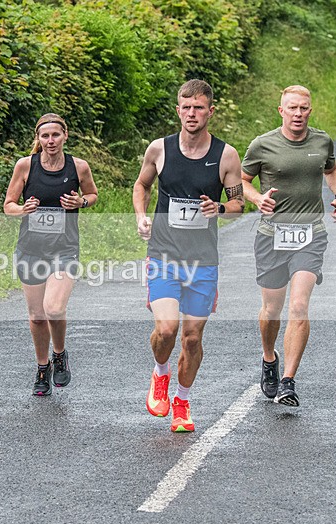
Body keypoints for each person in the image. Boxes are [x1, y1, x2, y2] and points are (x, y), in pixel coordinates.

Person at [132, 79, 243, 432]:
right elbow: (142, 186)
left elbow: (239, 203)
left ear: (211, 110)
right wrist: (141, 215)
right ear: (178, 109)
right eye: (185, 107)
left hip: (203, 261)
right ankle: (160, 374)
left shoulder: (226, 155)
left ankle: (182, 401)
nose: (191, 114)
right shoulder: (159, 149)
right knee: (166, 330)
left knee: (192, 339)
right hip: (164, 254)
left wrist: (220, 207)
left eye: (198, 107)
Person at [242, 85, 336, 407]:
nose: (298, 114)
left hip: (310, 235)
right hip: (271, 236)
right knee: (272, 310)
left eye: (303, 108)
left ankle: (288, 381)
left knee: (299, 306)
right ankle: (269, 358)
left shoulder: (322, 141)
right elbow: (241, 182)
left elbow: (331, 170)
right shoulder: (263, 145)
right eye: (292, 108)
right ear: (281, 111)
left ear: (310, 111)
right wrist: (257, 198)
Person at [3, 113, 98, 396]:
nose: (50, 141)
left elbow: (93, 195)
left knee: (54, 308)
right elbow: (8, 204)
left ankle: (59, 354)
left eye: (55, 135)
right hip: (31, 249)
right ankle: (42, 367)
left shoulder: (78, 167)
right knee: (36, 316)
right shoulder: (25, 166)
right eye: (45, 136)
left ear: (65, 136)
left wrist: (80, 201)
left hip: (64, 249)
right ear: (38, 139)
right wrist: (23, 210)